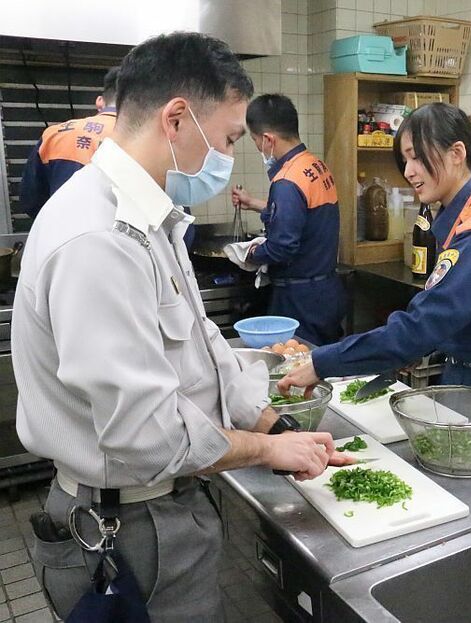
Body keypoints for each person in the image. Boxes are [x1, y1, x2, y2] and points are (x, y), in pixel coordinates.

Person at [13, 32, 349, 622]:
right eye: (225, 139)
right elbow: (149, 437)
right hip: (127, 528)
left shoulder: (151, 221)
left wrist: (275, 423)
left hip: (161, 510)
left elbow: (205, 345)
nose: (224, 158)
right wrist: (269, 449)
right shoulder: (99, 238)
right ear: (175, 120)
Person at [279, 103, 471, 447]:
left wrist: (322, 361)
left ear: (456, 153)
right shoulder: (463, 216)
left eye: (418, 158)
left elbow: (422, 325)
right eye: (405, 160)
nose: (410, 171)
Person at [231, 94, 346, 345]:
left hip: (299, 299)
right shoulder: (316, 166)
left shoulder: (287, 180)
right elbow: (307, 217)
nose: (258, 148)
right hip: (326, 291)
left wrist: (248, 255)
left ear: (268, 139)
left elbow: (282, 246)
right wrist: (253, 203)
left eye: (255, 141)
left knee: (296, 369)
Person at [18, 66, 120, 219]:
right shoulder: (140, 140)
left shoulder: (54, 134)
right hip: (118, 238)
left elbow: (30, 201)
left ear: (100, 100)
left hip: (59, 235)